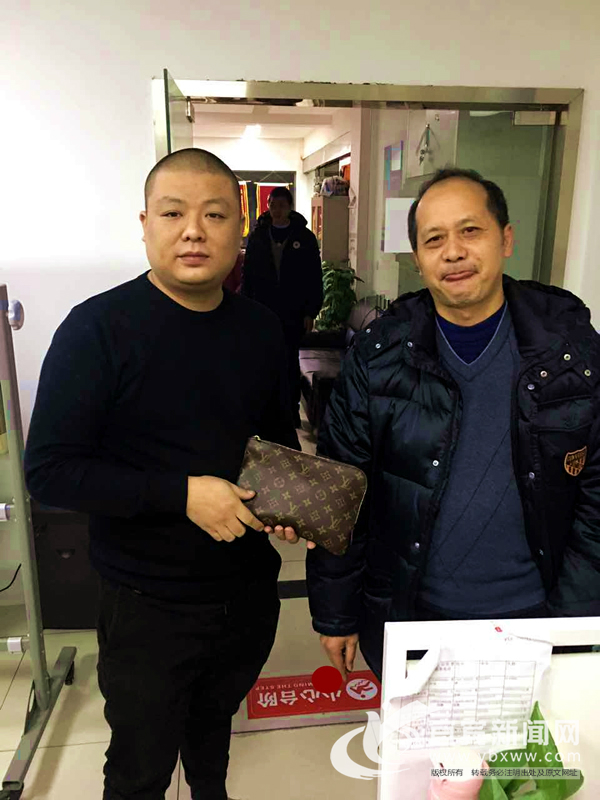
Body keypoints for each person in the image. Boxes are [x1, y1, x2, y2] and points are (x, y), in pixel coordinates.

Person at [24, 147, 315, 800]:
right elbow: (50, 471)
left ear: (239, 230)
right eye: (174, 213)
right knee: (140, 765)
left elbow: (273, 443)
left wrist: (287, 505)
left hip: (245, 590)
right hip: (146, 601)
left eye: (215, 214)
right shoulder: (97, 329)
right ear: (145, 224)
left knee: (213, 736)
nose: (194, 231)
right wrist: (181, 495)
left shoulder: (262, 330)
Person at [306, 167, 600, 681]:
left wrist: (571, 621)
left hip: (537, 617)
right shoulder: (380, 356)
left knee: (530, 739)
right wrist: (337, 613)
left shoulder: (570, 351)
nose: (454, 252)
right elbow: (341, 489)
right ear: (418, 258)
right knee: (424, 739)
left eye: (470, 231)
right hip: (413, 617)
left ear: (505, 239)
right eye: (434, 239)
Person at [241, 186, 324, 427]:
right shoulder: (258, 236)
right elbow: (248, 276)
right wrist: (245, 307)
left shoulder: (305, 238)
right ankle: (266, 412)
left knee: (289, 361)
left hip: (293, 312)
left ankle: (291, 411)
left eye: (281, 205)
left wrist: (311, 311)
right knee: (263, 361)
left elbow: (314, 277)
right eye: (273, 205)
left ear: (289, 208)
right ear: (268, 207)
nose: (277, 210)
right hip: (262, 310)